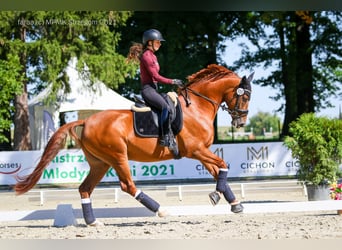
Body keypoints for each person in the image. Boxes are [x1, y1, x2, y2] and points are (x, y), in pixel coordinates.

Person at [127, 29, 183, 147]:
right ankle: (164, 137)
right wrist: (172, 81)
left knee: (169, 102)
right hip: (148, 90)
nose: (160, 44)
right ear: (149, 43)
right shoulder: (147, 56)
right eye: (158, 42)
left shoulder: (153, 56)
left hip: (154, 89)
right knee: (165, 107)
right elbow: (156, 76)